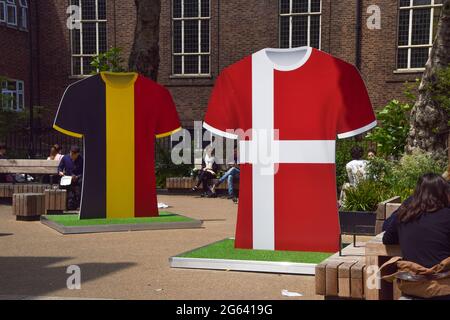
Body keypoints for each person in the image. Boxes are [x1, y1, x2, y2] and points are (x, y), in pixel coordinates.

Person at [383, 173, 450, 300]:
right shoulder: (447, 215)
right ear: (444, 193)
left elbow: (387, 239)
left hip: (413, 288)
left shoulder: (404, 215)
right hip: (443, 289)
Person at [58, 145, 84, 210]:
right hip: (67, 178)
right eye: (71, 153)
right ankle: (66, 205)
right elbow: (60, 167)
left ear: (77, 154)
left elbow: (84, 171)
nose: (71, 156)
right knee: (62, 184)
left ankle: (78, 205)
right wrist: (60, 172)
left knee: (80, 184)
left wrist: (77, 177)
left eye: (73, 154)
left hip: (77, 178)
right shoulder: (65, 158)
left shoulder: (81, 159)